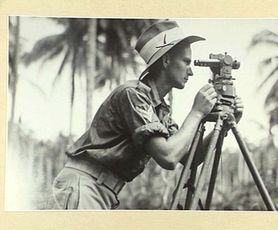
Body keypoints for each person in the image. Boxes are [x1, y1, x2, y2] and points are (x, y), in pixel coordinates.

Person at [51, 20, 243, 210]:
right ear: (166, 60)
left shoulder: (158, 108)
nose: (190, 71)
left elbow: (188, 158)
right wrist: (197, 112)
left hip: (99, 190)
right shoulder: (133, 94)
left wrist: (225, 125)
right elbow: (168, 157)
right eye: (185, 62)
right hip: (85, 185)